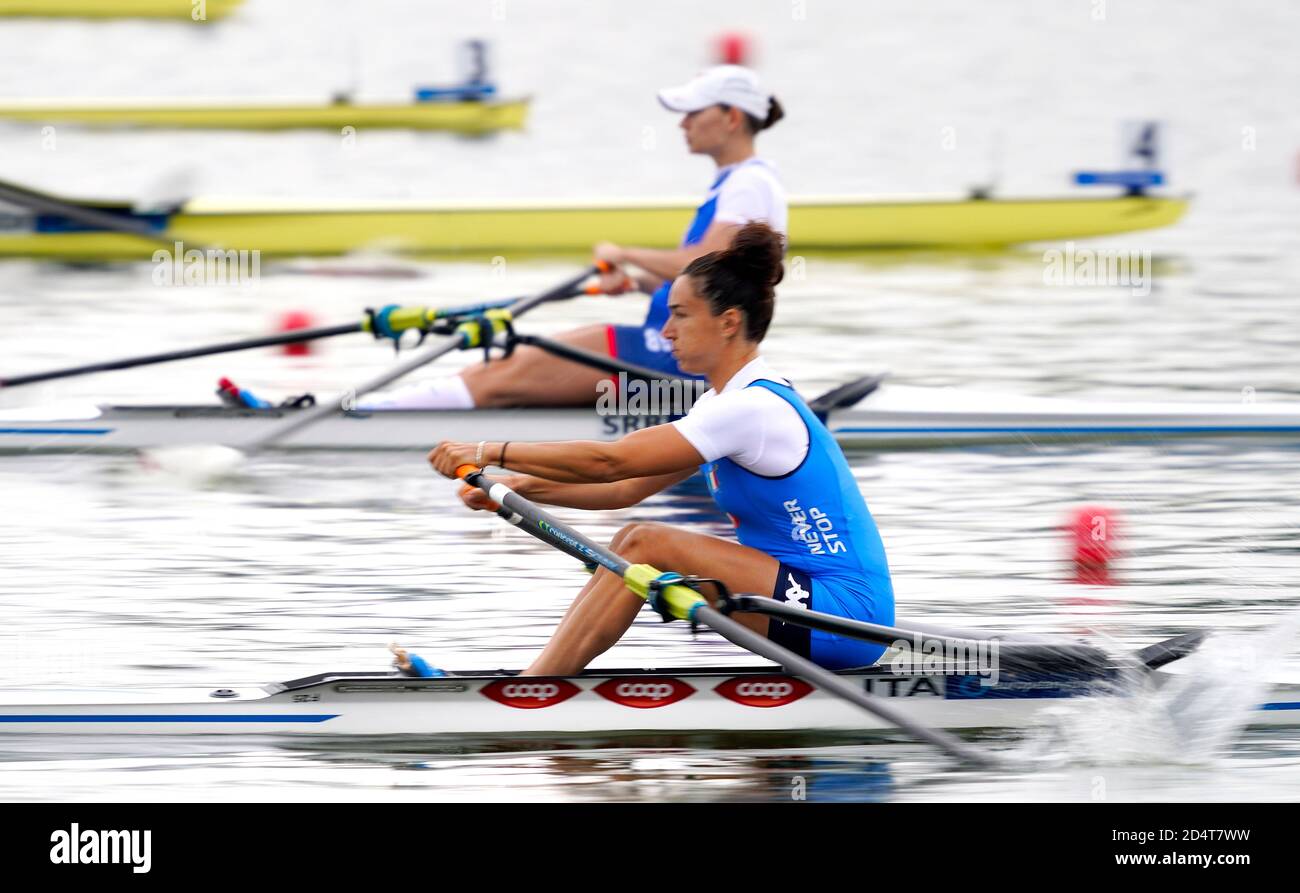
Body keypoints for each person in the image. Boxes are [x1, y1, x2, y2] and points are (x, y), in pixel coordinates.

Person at [428, 223, 894, 676]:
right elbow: (624, 488)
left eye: (681, 314)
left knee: (645, 543)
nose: (667, 331)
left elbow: (612, 461)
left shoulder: (752, 409)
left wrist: (489, 449)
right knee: (632, 545)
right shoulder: (723, 404)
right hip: (807, 604)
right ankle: (540, 679)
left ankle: (535, 690)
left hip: (843, 616)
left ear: (729, 322)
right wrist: (514, 489)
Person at [361, 65, 787, 411]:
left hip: (676, 359)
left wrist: (626, 253)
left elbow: (708, 266)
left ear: (732, 117)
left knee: (501, 375)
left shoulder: (749, 183)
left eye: (694, 112)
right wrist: (638, 281)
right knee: (506, 368)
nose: (683, 123)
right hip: (673, 344)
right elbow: (715, 284)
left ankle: (370, 417)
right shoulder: (737, 183)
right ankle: (387, 410)